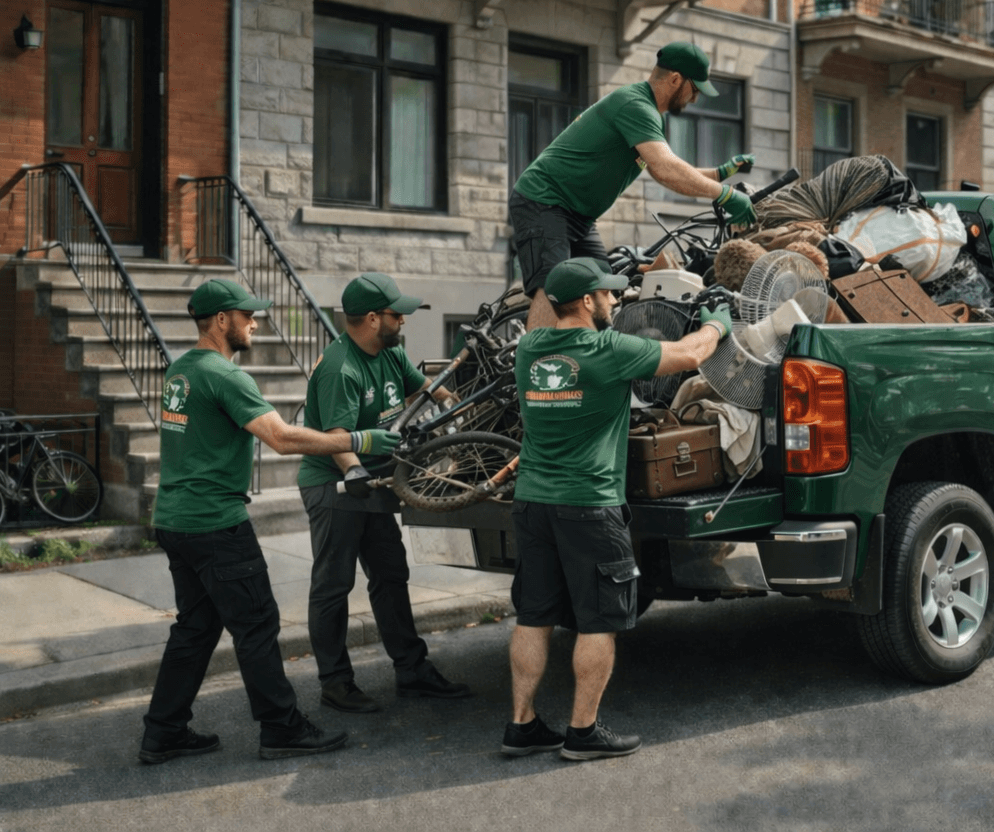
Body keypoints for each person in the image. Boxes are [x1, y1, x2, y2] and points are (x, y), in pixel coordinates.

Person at [141, 278, 402, 764]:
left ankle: (163, 731)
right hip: (214, 522)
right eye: (247, 315)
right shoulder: (224, 375)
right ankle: (282, 728)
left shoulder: (181, 371)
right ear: (222, 321)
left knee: (196, 628)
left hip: (175, 519)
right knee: (257, 624)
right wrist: (359, 441)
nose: (255, 321)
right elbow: (281, 438)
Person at [500, 257, 732, 761]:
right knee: (597, 621)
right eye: (607, 294)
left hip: (532, 502)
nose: (616, 300)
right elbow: (689, 355)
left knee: (533, 616)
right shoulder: (607, 349)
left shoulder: (530, 348)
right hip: (588, 505)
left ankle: (521, 725)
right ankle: (583, 732)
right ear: (585, 301)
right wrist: (718, 320)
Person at [297, 272, 470, 713]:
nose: (404, 322)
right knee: (334, 585)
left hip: (375, 483)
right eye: (398, 315)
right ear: (373, 319)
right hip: (337, 485)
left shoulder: (389, 353)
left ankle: (412, 670)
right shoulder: (342, 367)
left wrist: (459, 408)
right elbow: (337, 438)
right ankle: (335, 682)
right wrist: (354, 472)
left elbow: (425, 389)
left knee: (391, 573)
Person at [509, 41, 759, 329]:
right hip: (544, 201)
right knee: (553, 287)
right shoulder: (636, 105)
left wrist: (721, 172)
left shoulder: (648, 113)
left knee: (600, 289)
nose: (694, 99)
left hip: (578, 215)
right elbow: (665, 168)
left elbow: (664, 166)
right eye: (695, 89)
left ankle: (589, 364)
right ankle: (533, 368)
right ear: (676, 79)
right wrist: (727, 195)